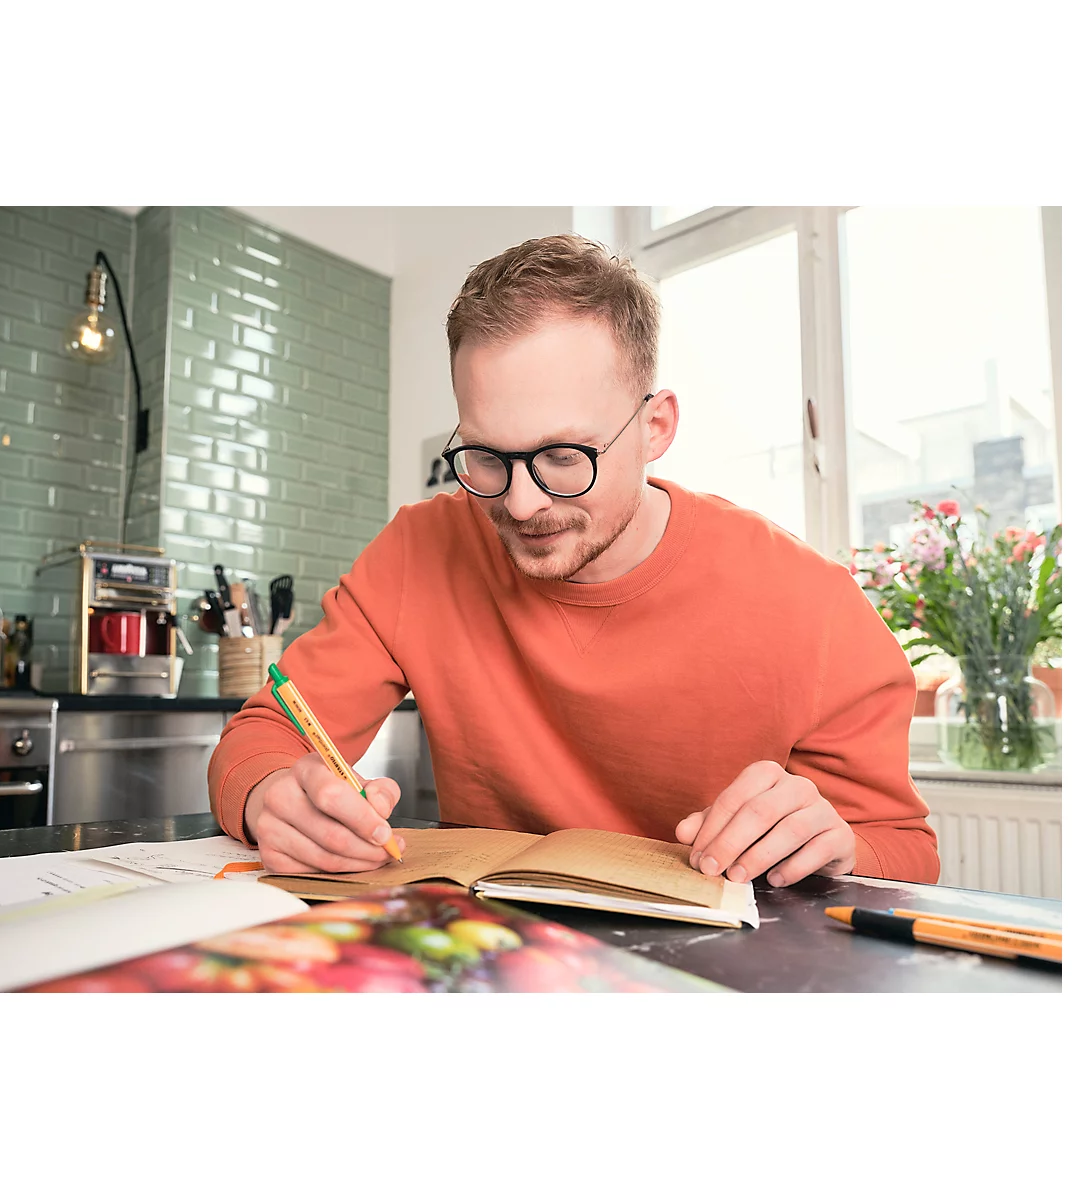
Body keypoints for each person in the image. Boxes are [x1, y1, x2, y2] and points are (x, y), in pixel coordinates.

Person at [209, 234, 940, 888]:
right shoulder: (417, 551)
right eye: (486, 456)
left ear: (656, 428)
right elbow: (264, 735)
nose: (521, 503)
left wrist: (835, 847)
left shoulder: (813, 605)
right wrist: (272, 797)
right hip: (483, 951)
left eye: (563, 456)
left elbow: (903, 851)